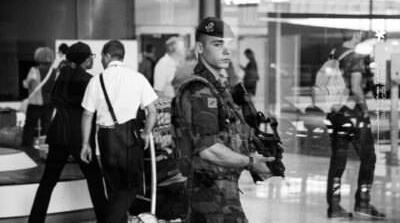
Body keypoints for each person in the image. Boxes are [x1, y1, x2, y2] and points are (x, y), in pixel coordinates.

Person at [175, 17, 274, 222]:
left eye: (229, 45)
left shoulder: (218, 87)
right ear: (200, 48)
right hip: (212, 192)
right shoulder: (200, 90)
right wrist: (250, 162)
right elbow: (209, 149)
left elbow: (227, 134)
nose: (227, 51)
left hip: (217, 188)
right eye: (218, 44)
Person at [28, 42, 108, 223]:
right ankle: (105, 220)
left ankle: (35, 221)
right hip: (79, 137)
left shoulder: (61, 77)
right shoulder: (89, 80)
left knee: (47, 183)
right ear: (84, 59)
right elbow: (92, 110)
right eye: (90, 56)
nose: (92, 59)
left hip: (58, 135)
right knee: (95, 180)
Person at [80, 40, 158, 223]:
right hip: (130, 136)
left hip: (106, 137)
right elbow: (152, 111)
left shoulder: (96, 80)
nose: (100, 61)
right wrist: (146, 133)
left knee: (113, 187)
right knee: (132, 185)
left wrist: (85, 144)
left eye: (101, 57)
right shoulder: (137, 77)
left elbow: (86, 114)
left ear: (107, 56)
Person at [326, 30, 385, 219]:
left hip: (336, 113)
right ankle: (363, 204)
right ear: (356, 36)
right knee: (369, 158)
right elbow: (356, 88)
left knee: (338, 161)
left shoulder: (334, 53)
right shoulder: (355, 57)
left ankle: (334, 207)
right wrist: (366, 111)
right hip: (353, 115)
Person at [22, 47, 56, 147]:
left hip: (35, 105)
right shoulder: (54, 71)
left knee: (29, 128)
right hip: (49, 104)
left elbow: (26, 84)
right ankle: (46, 150)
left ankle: (27, 150)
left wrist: (27, 82)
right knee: (47, 129)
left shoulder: (34, 70)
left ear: (38, 57)